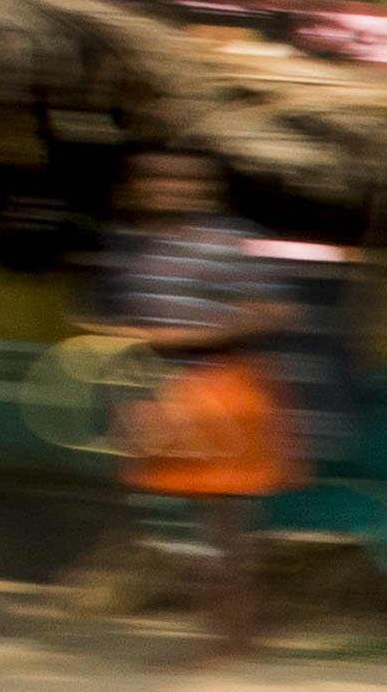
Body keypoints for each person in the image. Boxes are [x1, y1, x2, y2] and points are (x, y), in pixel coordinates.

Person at [95, 147, 305, 658]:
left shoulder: (225, 240)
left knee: (223, 522)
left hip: (222, 387)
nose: (169, 186)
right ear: (138, 184)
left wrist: (181, 337)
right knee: (193, 521)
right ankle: (235, 639)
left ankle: (233, 642)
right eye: (156, 176)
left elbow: (274, 312)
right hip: (164, 391)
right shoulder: (135, 245)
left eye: (183, 178)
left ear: (206, 187)